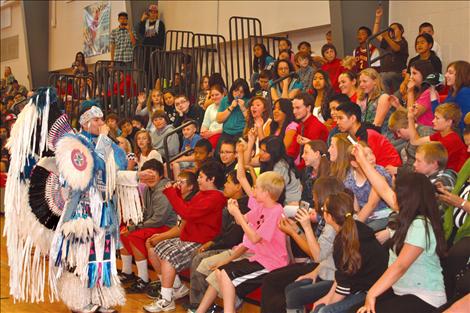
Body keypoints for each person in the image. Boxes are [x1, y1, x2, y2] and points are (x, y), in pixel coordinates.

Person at [352, 144, 447, 313]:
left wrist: (372, 293)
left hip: (424, 297)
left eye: (397, 191)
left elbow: (401, 266)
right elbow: (382, 187)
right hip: (403, 292)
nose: (393, 194)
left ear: (408, 197)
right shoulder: (409, 216)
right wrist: (361, 160)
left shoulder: (420, 225)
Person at [196, 169, 289, 313]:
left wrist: (237, 214)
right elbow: (243, 221)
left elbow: (254, 238)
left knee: (225, 274)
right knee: (221, 272)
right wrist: (236, 209)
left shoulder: (277, 212)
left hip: (271, 263)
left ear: (266, 192)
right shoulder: (263, 207)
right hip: (259, 258)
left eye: (256, 187)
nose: (253, 190)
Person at [143, 161, 227, 312]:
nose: (198, 180)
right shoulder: (202, 194)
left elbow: (187, 213)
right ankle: (175, 288)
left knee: (169, 255)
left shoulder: (216, 197)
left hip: (200, 240)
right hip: (189, 236)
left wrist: (171, 193)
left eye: (201, 177)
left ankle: (167, 299)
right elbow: (186, 209)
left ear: (212, 179)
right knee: (156, 248)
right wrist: (175, 192)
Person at [186, 170, 252, 312]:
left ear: (238, 186)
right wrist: (212, 242)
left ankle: (199, 305)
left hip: (235, 247)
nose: (225, 185)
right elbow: (223, 232)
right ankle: (201, 303)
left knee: (201, 259)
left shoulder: (244, 206)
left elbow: (233, 237)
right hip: (227, 244)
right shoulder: (230, 202)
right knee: (196, 256)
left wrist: (213, 244)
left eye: (228, 182)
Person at [310, 193, 388, 313]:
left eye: (323, 210)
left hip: (374, 291)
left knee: (323, 311)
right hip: (365, 285)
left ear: (329, 217)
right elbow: (342, 276)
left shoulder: (342, 242)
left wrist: (328, 302)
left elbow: (343, 289)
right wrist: (327, 298)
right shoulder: (357, 229)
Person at [120, 159, 177, 293]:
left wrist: (136, 227)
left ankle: (144, 279)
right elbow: (146, 213)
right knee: (122, 232)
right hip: (156, 223)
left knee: (134, 235)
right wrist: (134, 223)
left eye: (153, 174)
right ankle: (128, 272)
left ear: (161, 175)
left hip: (168, 227)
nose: (149, 178)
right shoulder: (147, 189)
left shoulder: (164, 189)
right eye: (147, 174)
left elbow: (159, 219)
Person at [335, 101, 402, 168]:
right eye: (337, 118)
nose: (337, 122)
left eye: (340, 118)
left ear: (353, 118)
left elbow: (368, 162)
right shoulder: (351, 136)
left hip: (389, 169)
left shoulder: (368, 134)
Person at [408, 102, 469, 172]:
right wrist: (410, 118)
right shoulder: (441, 134)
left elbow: (431, 166)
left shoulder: (451, 140)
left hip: (450, 177)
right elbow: (415, 141)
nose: (433, 121)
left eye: (437, 118)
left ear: (449, 122)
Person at [243, 135, 301, 204]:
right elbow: (247, 162)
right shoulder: (267, 159)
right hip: (277, 198)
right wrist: (251, 142)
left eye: (264, 151)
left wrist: (252, 171)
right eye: (260, 149)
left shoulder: (280, 167)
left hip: (289, 203)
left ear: (274, 153)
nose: (260, 153)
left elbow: (264, 191)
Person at [287, 93, 329, 168]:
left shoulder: (316, 126)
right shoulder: (301, 125)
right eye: (293, 108)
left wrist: (295, 170)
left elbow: (310, 157)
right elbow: (292, 150)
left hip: (315, 168)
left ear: (308, 108)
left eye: (298, 108)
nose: (294, 111)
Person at [387, 109, 434, 175]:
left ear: (407, 125)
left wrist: (398, 170)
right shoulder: (410, 138)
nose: (398, 135)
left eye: (399, 131)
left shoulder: (426, 133)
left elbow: (425, 165)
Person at [373, 6, 408, 94]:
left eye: (393, 29)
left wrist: (386, 37)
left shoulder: (403, 42)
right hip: (385, 73)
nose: (391, 31)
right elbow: (375, 34)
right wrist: (378, 18)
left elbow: (396, 48)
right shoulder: (387, 40)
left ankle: (386, 101)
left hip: (397, 73)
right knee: (377, 77)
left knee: (384, 77)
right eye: (390, 30)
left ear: (401, 30)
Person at [413, 142, 457, 212]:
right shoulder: (426, 177)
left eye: (419, 161)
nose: (414, 164)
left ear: (434, 164)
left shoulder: (442, 182)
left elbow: (434, 212)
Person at [357, 68, 394, 140]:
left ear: (375, 81)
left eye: (364, 81)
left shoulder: (383, 97)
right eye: (360, 82)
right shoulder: (361, 99)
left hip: (383, 138)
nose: (361, 84)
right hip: (366, 136)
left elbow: (377, 125)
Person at [216, 78, 251, 145]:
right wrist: (231, 107)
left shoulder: (248, 101)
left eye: (242, 92)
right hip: (226, 132)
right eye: (236, 90)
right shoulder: (225, 100)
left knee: (237, 150)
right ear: (232, 90)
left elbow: (250, 120)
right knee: (218, 153)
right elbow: (219, 120)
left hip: (241, 132)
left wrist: (243, 108)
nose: (238, 94)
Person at [406, 60, 438, 129]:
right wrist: (398, 105)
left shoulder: (429, 92)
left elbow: (412, 115)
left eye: (414, 73)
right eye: (410, 73)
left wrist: (410, 92)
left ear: (424, 74)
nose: (411, 77)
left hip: (426, 129)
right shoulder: (418, 91)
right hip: (418, 128)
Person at [300, 140, 330, 207]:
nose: (302, 156)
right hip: (308, 209)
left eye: (306, 152)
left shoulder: (329, 173)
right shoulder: (306, 172)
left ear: (316, 154)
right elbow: (304, 197)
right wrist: (301, 208)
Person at [443, 61, 470, 131]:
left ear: (461, 75)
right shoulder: (452, 91)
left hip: (460, 133)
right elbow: (439, 113)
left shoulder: (465, 92)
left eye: (450, 73)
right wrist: (432, 91)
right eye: (447, 72)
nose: (446, 75)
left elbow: (464, 123)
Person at [200, 84, 224, 148]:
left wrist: (212, 133)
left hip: (220, 134)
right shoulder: (210, 108)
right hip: (209, 134)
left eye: (217, 95)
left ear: (223, 94)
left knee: (207, 147)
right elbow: (205, 124)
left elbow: (227, 127)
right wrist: (203, 133)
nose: (214, 97)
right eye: (212, 95)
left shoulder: (227, 107)